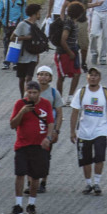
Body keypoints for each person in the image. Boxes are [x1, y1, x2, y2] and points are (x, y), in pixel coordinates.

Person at [69, 68, 107, 196]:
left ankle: (97, 183)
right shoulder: (81, 92)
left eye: (96, 75)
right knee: (85, 159)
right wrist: (72, 131)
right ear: (87, 77)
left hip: (100, 131)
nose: (93, 77)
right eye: (91, 75)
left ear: (100, 78)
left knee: (99, 157)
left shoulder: (106, 93)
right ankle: (88, 183)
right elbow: (74, 113)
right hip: (84, 132)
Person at [9, 82, 54, 214]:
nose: (32, 95)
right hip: (22, 145)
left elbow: (51, 122)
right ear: (26, 92)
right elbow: (12, 124)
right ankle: (18, 204)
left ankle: (31, 204)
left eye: (35, 93)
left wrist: (48, 137)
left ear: (39, 93)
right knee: (20, 174)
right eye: (30, 93)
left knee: (35, 176)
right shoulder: (19, 104)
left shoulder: (46, 104)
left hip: (39, 146)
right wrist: (22, 111)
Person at [27, 66, 66, 196]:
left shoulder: (54, 93)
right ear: (37, 76)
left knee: (44, 157)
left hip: (47, 130)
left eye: (46, 75)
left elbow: (60, 114)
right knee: (29, 156)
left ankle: (42, 182)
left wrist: (56, 130)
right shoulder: (30, 92)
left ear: (50, 78)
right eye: (41, 74)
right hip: (32, 130)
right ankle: (30, 183)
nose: (43, 77)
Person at [10, 4, 43, 97]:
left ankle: (27, 96)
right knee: (21, 78)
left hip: (32, 56)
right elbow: (12, 38)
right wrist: (26, 38)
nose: (39, 14)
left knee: (29, 77)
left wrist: (38, 55)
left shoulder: (37, 25)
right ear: (34, 14)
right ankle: (22, 96)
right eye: (38, 13)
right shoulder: (22, 25)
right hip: (22, 56)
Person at [54, 1, 84, 102]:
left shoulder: (73, 22)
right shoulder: (68, 23)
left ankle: (70, 97)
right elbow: (63, 40)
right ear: (78, 13)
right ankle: (59, 98)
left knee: (77, 73)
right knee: (61, 76)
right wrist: (70, 53)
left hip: (73, 51)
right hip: (64, 53)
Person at [0, 0, 26, 69]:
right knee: (6, 43)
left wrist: (27, 23)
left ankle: (15, 62)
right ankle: (6, 62)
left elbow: (24, 13)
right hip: (6, 25)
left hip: (17, 26)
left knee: (16, 43)